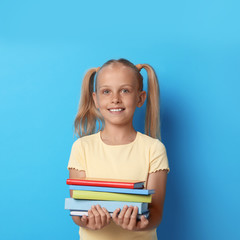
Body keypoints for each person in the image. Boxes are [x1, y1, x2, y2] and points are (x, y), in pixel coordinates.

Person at [67, 58, 170, 240]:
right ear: (95, 99)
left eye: (125, 90)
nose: (115, 99)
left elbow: (156, 214)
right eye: (106, 91)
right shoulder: (81, 148)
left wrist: (139, 224)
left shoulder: (153, 149)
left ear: (140, 98)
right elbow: (77, 210)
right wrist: (86, 221)